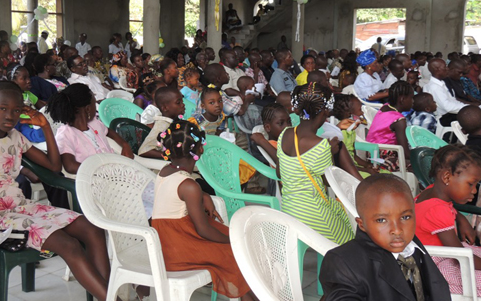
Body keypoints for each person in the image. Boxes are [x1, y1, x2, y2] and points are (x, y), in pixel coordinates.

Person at [0, 80, 111, 300]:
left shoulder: (16, 138)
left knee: (92, 228)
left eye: (17, 111)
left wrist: (45, 126)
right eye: (3, 108)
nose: (10, 116)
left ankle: (106, 294)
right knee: (69, 245)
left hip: (23, 209)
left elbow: (53, 166)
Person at [152, 120, 256, 300]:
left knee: (234, 241)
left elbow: (181, 190)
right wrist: (232, 242)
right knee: (234, 252)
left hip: (168, 236)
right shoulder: (189, 186)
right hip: (177, 247)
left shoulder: (166, 170)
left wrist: (204, 196)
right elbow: (203, 230)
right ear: (200, 149)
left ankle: (254, 295)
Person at [321, 174, 450, 301]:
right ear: (362, 224)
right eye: (381, 220)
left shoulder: (410, 245)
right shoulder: (342, 262)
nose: (397, 230)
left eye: (405, 217)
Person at [276, 83, 362, 244]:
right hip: (314, 214)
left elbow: (279, 174)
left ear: (297, 109)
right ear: (325, 112)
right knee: (353, 240)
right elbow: (329, 183)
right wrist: (332, 152)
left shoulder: (285, 134)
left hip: (289, 210)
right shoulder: (321, 146)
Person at [415, 144, 481, 296]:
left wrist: (461, 218)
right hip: (433, 266)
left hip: (441, 255)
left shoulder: (431, 191)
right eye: (470, 184)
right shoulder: (437, 210)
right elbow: (457, 254)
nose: (474, 190)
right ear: (446, 177)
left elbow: (445, 208)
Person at [46, 83, 133, 174]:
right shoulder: (65, 134)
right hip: (96, 180)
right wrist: (100, 171)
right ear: (88, 109)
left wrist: (125, 145)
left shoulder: (94, 123)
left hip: (115, 171)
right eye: (94, 103)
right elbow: (70, 166)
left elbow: (109, 132)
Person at [366, 81, 413, 172]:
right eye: (411, 98)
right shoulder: (399, 120)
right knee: (418, 166)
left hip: (372, 153)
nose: (413, 101)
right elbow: (405, 153)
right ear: (402, 99)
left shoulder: (385, 107)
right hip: (383, 159)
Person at [333, 95, 378, 177]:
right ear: (350, 114)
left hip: (356, 168)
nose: (362, 113)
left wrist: (367, 165)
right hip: (348, 173)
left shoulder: (351, 132)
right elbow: (344, 165)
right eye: (360, 110)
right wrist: (366, 170)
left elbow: (354, 157)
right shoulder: (341, 135)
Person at [139, 87, 185, 158]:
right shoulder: (162, 125)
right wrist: (171, 156)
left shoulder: (174, 121)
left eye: (182, 101)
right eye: (178, 102)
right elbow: (144, 151)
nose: (183, 105)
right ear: (165, 108)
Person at [423, 58, 468, 126]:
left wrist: (468, 106)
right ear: (437, 69)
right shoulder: (435, 87)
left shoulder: (441, 83)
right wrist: (469, 108)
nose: (447, 69)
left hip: (450, 115)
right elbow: (448, 107)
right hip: (444, 118)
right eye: (445, 67)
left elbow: (453, 100)